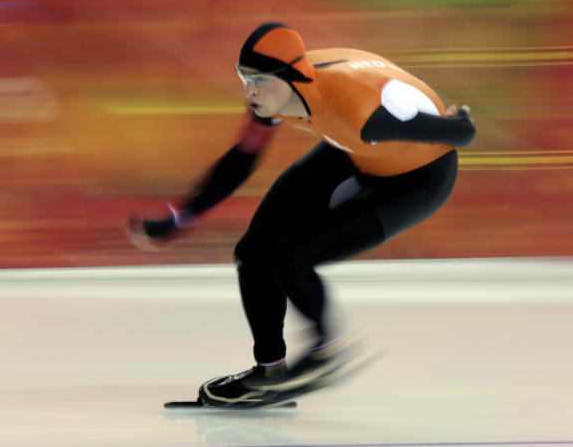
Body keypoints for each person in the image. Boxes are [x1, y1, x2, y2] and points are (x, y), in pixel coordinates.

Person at [127, 22, 475, 406]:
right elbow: (240, 162)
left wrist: (457, 123)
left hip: (415, 180)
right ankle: (270, 372)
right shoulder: (274, 97)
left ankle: (328, 350)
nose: (250, 91)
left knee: (292, 258)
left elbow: (460, 135)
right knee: (254, 253)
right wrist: (181, 219)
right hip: (349, 150)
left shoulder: (359, 112)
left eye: (259, 80)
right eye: (244, 78)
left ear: (291, 78)